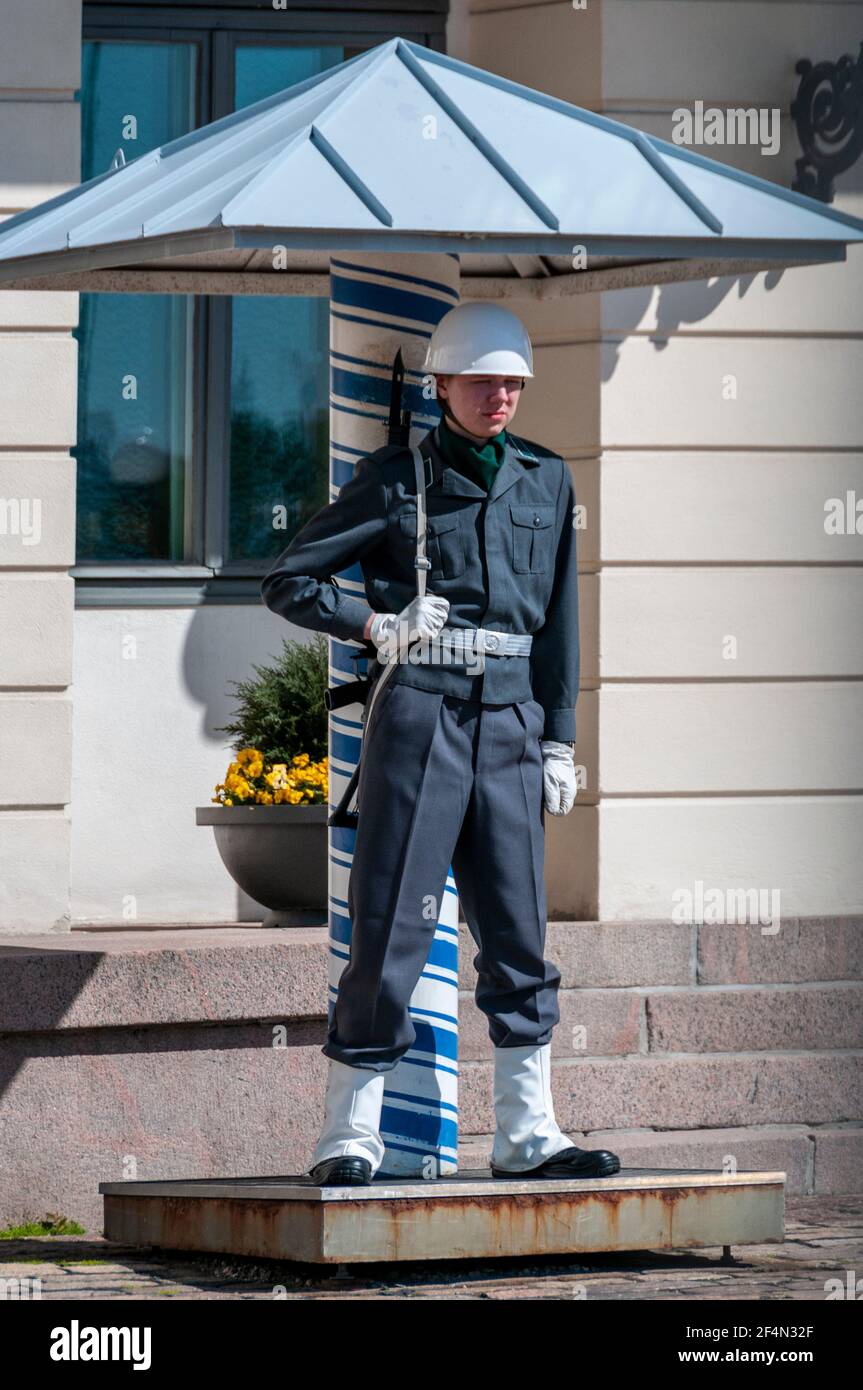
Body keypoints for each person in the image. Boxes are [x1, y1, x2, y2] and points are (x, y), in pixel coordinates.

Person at [261, 302, 620, 1185]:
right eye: (482, 381)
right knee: (390, 924)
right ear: (442, 385)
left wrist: (559, 738)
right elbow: (289, 580)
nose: (499, 396)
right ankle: (349, 1135)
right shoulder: (396, 480)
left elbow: (559, 624)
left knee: (517, 928)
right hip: (421, 714)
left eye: (512, 384)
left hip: (511, 722)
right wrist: (375, 623)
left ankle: (527, 1135)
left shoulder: (547, 479)